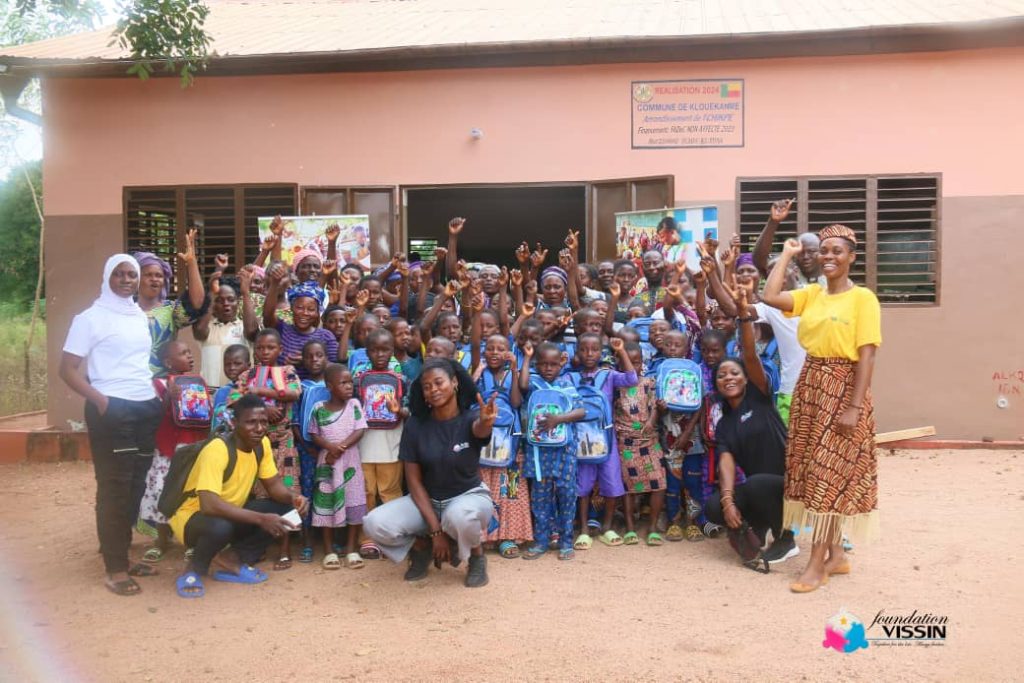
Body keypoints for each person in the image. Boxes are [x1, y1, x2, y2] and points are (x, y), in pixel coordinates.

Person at [761, 225, 882, 593]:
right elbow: (769, 296)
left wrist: (854, 406)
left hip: (844, 389)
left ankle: (817, 564)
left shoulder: (863, 299)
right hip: (811, 387)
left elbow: (867, 355)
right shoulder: (812, 294)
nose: (829, 256)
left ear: (851, 257)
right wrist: (787, 254)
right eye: (824, 250)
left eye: (837, 251)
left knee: (829, 476)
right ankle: (837, 555)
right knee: (813, 472)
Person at [59, 255, 164, 596]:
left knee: (136, 485)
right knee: (114, 487)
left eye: (131, 274)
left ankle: (121, 553)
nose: (126, 279)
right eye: (119, 274)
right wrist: (101, 400)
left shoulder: (137, 316)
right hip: (112, 410)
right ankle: (115, 568)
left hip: (144, 407)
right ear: (107, 277)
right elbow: (67, 369)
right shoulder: (89, 319)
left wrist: (153, 395)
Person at [362, 358, 499, 588]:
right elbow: (414, 482)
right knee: (375, 523)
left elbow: (480, 430)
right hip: (427, 501)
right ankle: (422, 548)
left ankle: (476, 555)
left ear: (454, 382)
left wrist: (486, 422)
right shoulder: (415, 425)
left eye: (438, 382)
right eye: (427, 386)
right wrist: (435, 533)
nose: (433, 389)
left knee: (461, 517)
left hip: (468, 497)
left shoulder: (471, 419)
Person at [169, 394, 309, 598]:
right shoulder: (217, 449)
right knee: (220, 526)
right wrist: (261, 519)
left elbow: (274, 486)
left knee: (290, 512)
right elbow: (209, 505)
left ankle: (231, 558)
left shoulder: (261, 445)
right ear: (234, 423)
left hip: (230, 513)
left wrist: (294, 498)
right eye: (251, 422)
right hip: (193, 518)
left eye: (263, 422)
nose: (259, 428)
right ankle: (193, 569)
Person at [703, 286, 797, 570]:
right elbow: (726, 464)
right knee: (713, 507)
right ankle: (755, 527)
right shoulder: (725, 424)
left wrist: (744, 317)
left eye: (734, 373)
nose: (728, 378)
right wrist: (728, 502)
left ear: (746, 379)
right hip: (761, 490)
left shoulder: (759, 396)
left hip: (790, 483)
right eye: (722, 375)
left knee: (756, 484)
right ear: (716, 384)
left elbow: (751, 356)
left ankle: (785, 537)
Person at [229, 328, 303, 570]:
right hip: (255, 445)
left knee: (288, 491)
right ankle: (259, 545)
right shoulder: (247, 374)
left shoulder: (287, 371)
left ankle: (285, 549)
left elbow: (294, 393)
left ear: (280, 350)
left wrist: (262, 393)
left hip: (283, 442)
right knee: (259, 494)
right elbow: (234, 400)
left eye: (270, 347)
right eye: (260, 348)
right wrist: (263, 409)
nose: (265, 352)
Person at [137, 341, 211, 562]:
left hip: (193, 446)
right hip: (167, 450)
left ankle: (191, 541)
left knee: (191, 493)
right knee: (162, 491)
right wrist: (168, 396)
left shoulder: (198, 382)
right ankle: (161, 540)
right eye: (183, 353)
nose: (190, 356)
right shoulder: (158, 385)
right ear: (168, 362)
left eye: (189, 352)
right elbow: (151, 416)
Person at [571, 334, 636, 550]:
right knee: (583, 486)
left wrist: (621, 351)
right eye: (584, 349)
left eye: (594, 350)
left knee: (611, 482)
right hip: (581, 442)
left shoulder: (608, 375)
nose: (589, 354)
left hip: (607, 441)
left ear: (601, 353)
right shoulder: (571, 378)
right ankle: (583, 530)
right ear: (577, 353)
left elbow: (631, 379)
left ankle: (607, 527)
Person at [307, 364, 369, 570]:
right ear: (330, 386)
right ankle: (328, 550)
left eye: (350, 382)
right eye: (343, 383)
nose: (349, 386)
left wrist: (339, 447)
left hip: (349, 461)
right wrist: (329, 447)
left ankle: (351, 549)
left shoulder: (354, 405)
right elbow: (314, 433)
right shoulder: (318, 408)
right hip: (328, 463)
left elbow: (360, 430)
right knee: (326, 503)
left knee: (354, 502)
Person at [133, 231, 208, 376]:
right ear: (137, 279)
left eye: (159, 276)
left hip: (166, 383)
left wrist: (191, 262)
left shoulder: (170, 309)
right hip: (132, 382)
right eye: (148, 275)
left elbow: (198, 302)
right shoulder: (126, 310)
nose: (154, 279)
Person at [615, 341, 667, 545]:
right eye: (627, 362)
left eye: (636, 362)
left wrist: (654, 417)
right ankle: (630, 528)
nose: (632, 366)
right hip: (626, 442)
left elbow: (655, 405)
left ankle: (652, 527)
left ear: (642, 363)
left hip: (649, 440)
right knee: (628, 485)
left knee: (659, 482)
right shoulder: (616, 385)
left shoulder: (649, 382)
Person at [194, 266, 253, 387]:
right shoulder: (207, 328)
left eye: (231, 299)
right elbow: (199, 330)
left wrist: (246, 292)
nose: (226, 304)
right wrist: (212, 292)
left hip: (240, 392)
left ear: (238, 302)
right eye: (219, 300)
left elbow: (252, 331)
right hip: (211, 393)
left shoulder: (245, 327)